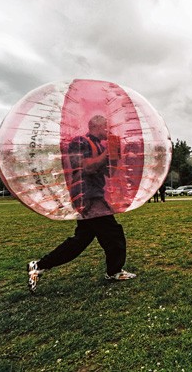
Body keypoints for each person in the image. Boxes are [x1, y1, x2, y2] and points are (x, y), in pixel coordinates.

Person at [26, 115, 136, 293]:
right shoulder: (79, 142)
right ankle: (114, 271)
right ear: (95, 126)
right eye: (105, 127)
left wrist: (115, 156)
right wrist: (107, 153)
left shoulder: (100, 145)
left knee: (81, 240)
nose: (108, 131)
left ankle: (39, 266)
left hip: (95, 194)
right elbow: (87, 167)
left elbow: (109, 173)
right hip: (87, 196)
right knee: (113, 234)